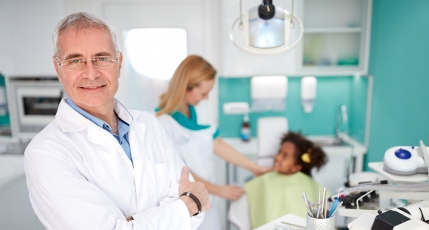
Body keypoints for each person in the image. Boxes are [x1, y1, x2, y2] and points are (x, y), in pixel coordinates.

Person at [24, 12, 209, 230]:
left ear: (119, 63)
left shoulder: (149, 124)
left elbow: (198, 212)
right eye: (75, 61)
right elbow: (193, 204)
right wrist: (187, 205)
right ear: (58, 68)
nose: (91, 74)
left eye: (102, 58)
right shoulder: (45, 153)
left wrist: (132, 223)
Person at [155, 55, 271, 229]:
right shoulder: (162, 124)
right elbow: (182, 175)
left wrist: (255, 168)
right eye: (203, 93)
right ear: (186, 87)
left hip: (209, 197)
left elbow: (217, 144)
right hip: (187, 203)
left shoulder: (199, 108)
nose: (207, 98)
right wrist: (221, 190)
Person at [245, 131, 328, 228]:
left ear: (296, 167)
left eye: (285, 156)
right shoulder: (265, 179)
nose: (277, 157)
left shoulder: (307, 184)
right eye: (279, 152)